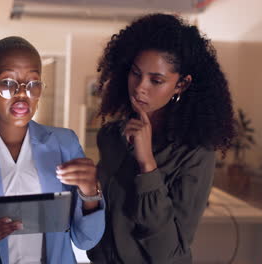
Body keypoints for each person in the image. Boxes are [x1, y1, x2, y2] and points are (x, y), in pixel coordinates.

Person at [0, 36, 105, 264]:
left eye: (33, 84)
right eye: (7, 83)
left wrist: (89, 193)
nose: (22, 94)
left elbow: (86, 240)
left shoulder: (65, 144)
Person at [85, 14, 236, 263]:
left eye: (156, 80)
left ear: (181, 85)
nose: (140, 87)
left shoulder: (195, 153)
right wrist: (86, 191)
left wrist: (147, 166)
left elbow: (170, 253)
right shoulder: (111, 136)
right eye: (135, 73)